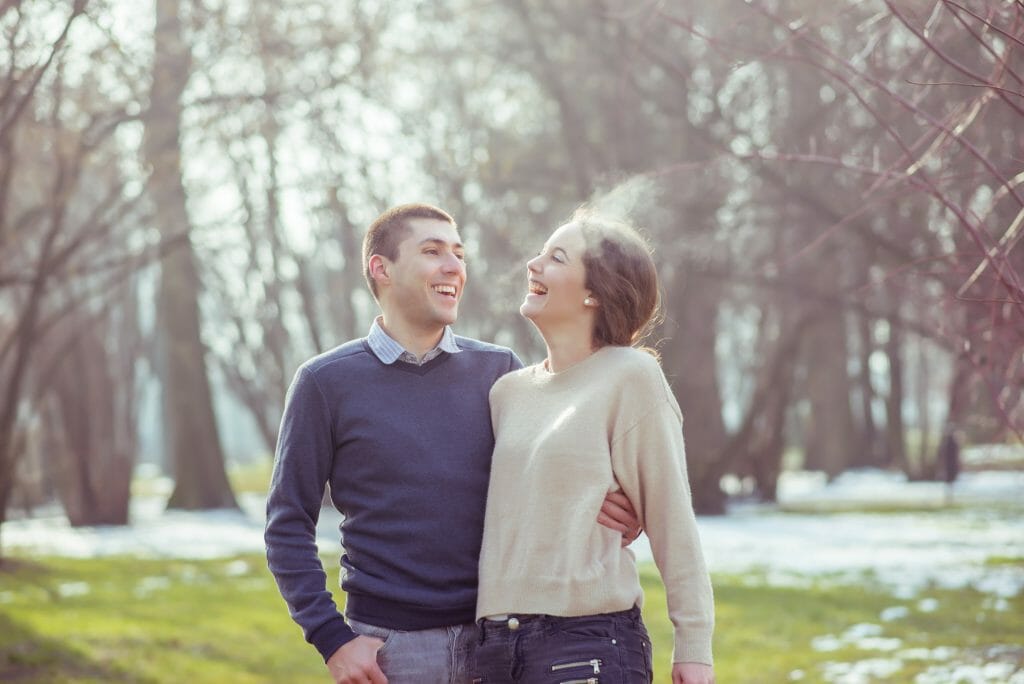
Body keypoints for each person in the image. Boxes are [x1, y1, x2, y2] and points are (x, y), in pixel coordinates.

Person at [264, 203, 642, 684]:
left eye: (458, 254)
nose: (453, 267)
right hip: (391, 651)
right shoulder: (325, 382)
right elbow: (286, 527)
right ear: (381, 269)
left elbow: (548, 481)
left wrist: (614, 511)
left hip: (503, 640)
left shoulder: (500, 372)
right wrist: (333, 640)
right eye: (432, 251)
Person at [473, 208, 716, 684]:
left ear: (593, 294)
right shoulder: (506, 393)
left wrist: (694, 645)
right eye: (540, 253)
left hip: (585, 645)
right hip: (495, 648)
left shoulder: (631, 376)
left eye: (556, 257)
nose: (534, 265)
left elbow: (672, 519)